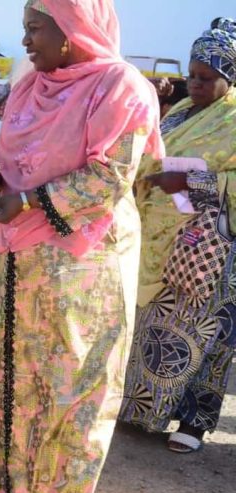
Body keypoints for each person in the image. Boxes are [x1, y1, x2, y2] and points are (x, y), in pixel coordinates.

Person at [0, 1, 163, 493]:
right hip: (22, 263)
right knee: (14, 381)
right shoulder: (30, 87)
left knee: (70, 386)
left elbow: (112, 176)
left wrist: (31, 199)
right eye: (25, 29)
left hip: (83, 271)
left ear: (73, 30)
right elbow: (8, 149)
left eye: (34, 29)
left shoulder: (120, 88)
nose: (25, 42)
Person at [120, 18, 236, 454]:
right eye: (192, 75)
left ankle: (195, 422)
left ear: (230, 78)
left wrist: (190, 184)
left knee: (208, 337)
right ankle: (141, 411)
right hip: (157, 240)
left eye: (207, 78)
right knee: (153, 330)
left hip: (211, 249)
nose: (197, 84)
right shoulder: (184, 112)